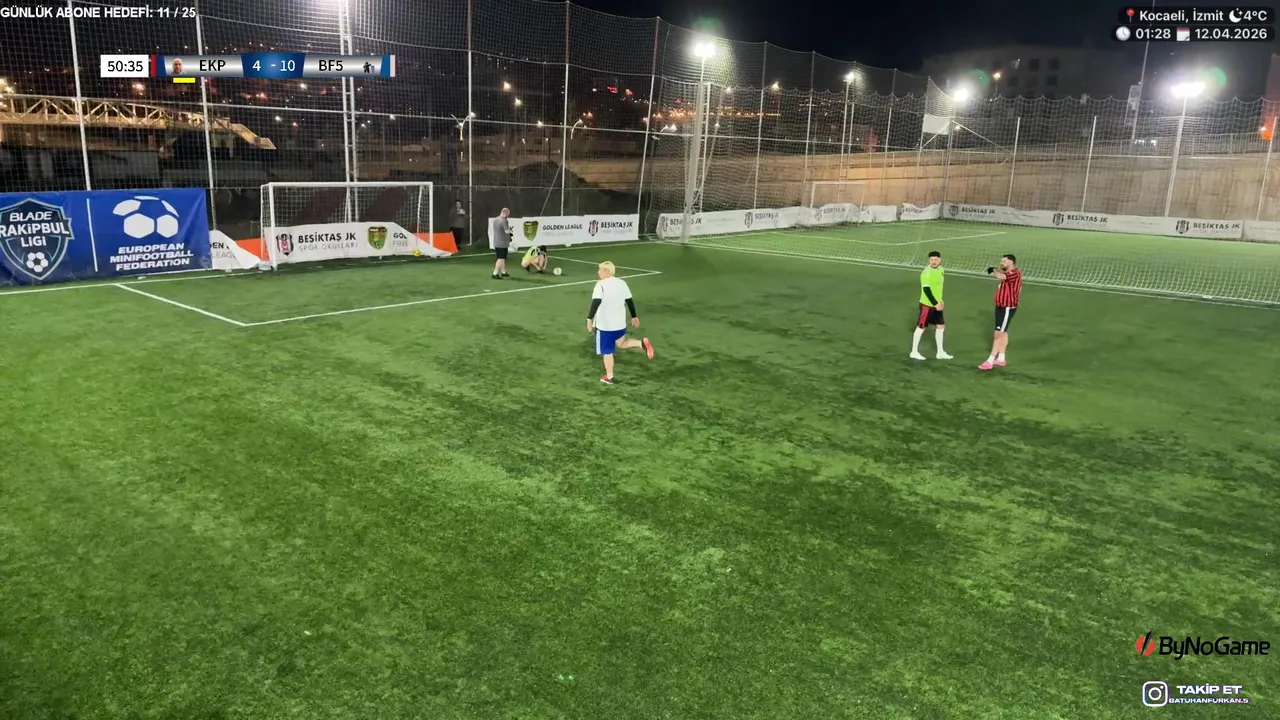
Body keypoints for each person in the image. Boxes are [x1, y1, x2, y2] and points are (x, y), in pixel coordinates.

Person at [587, 261, 654, 384]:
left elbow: (596, 302)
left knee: (607, 352)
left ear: (607, 271)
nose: (598, 272)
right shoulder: (621, 283)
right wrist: (634, 316)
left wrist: (589, 319)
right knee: (621, 343)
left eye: (600, 269)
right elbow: (629, 301)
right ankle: (641, 344)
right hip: (619, 324)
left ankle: (609, 377)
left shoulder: (600, 285)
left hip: (605, 325)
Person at [980, 254, 1022, 371]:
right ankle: (1001, 358)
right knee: (1003, 332)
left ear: (1011, 262)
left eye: (1004, 261)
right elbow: (1002, 275)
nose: (1001, 262)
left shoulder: (1014, 274)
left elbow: (1001, 276)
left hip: (1007, 308)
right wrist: (996, 270)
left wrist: (993, 270)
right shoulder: (1009, 273)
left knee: (998, 335)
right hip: (1000, 307)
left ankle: (990, 361)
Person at [911, 250, 953, 360]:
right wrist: (935, 303)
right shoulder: (926, 273)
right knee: (921, 327)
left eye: (935, 259)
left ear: (940, 260)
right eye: (931, 260)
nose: (933, 262)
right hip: (927, 305)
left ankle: (940, 352)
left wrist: (940, 300)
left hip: (937, 304)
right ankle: (914, 352)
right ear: (929, 261)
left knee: (940, 326)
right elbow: (926, 290)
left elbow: (938, 287)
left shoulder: (941, 270)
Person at [490, 207, 512, 279]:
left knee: (502, 257)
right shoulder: (504, 221)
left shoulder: (495, 220)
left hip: (497, 241)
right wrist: (511, 231)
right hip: (503, 242)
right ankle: (495, 273)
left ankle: (503, 271)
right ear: (506, 213)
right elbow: (506, 231)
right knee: (501, 258)